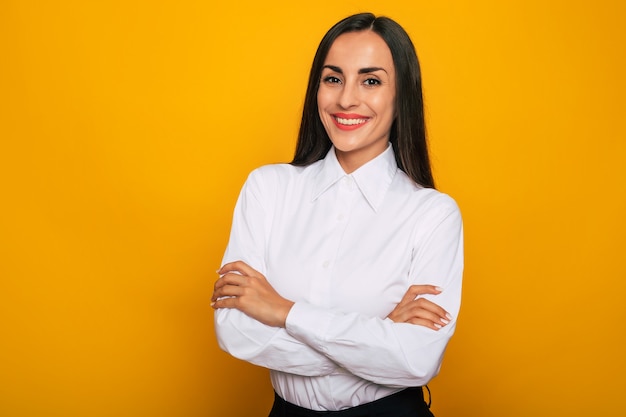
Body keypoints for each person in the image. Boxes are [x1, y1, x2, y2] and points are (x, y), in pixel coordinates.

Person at [212, 12, 463, 417]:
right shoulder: (268, 189)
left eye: (371, 80)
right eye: (333, 78)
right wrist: (379, 333)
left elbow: (417, 360)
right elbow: (235, 332)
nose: (346, 99)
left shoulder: (432, 214)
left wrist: (284, 311)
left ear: (402, 96)